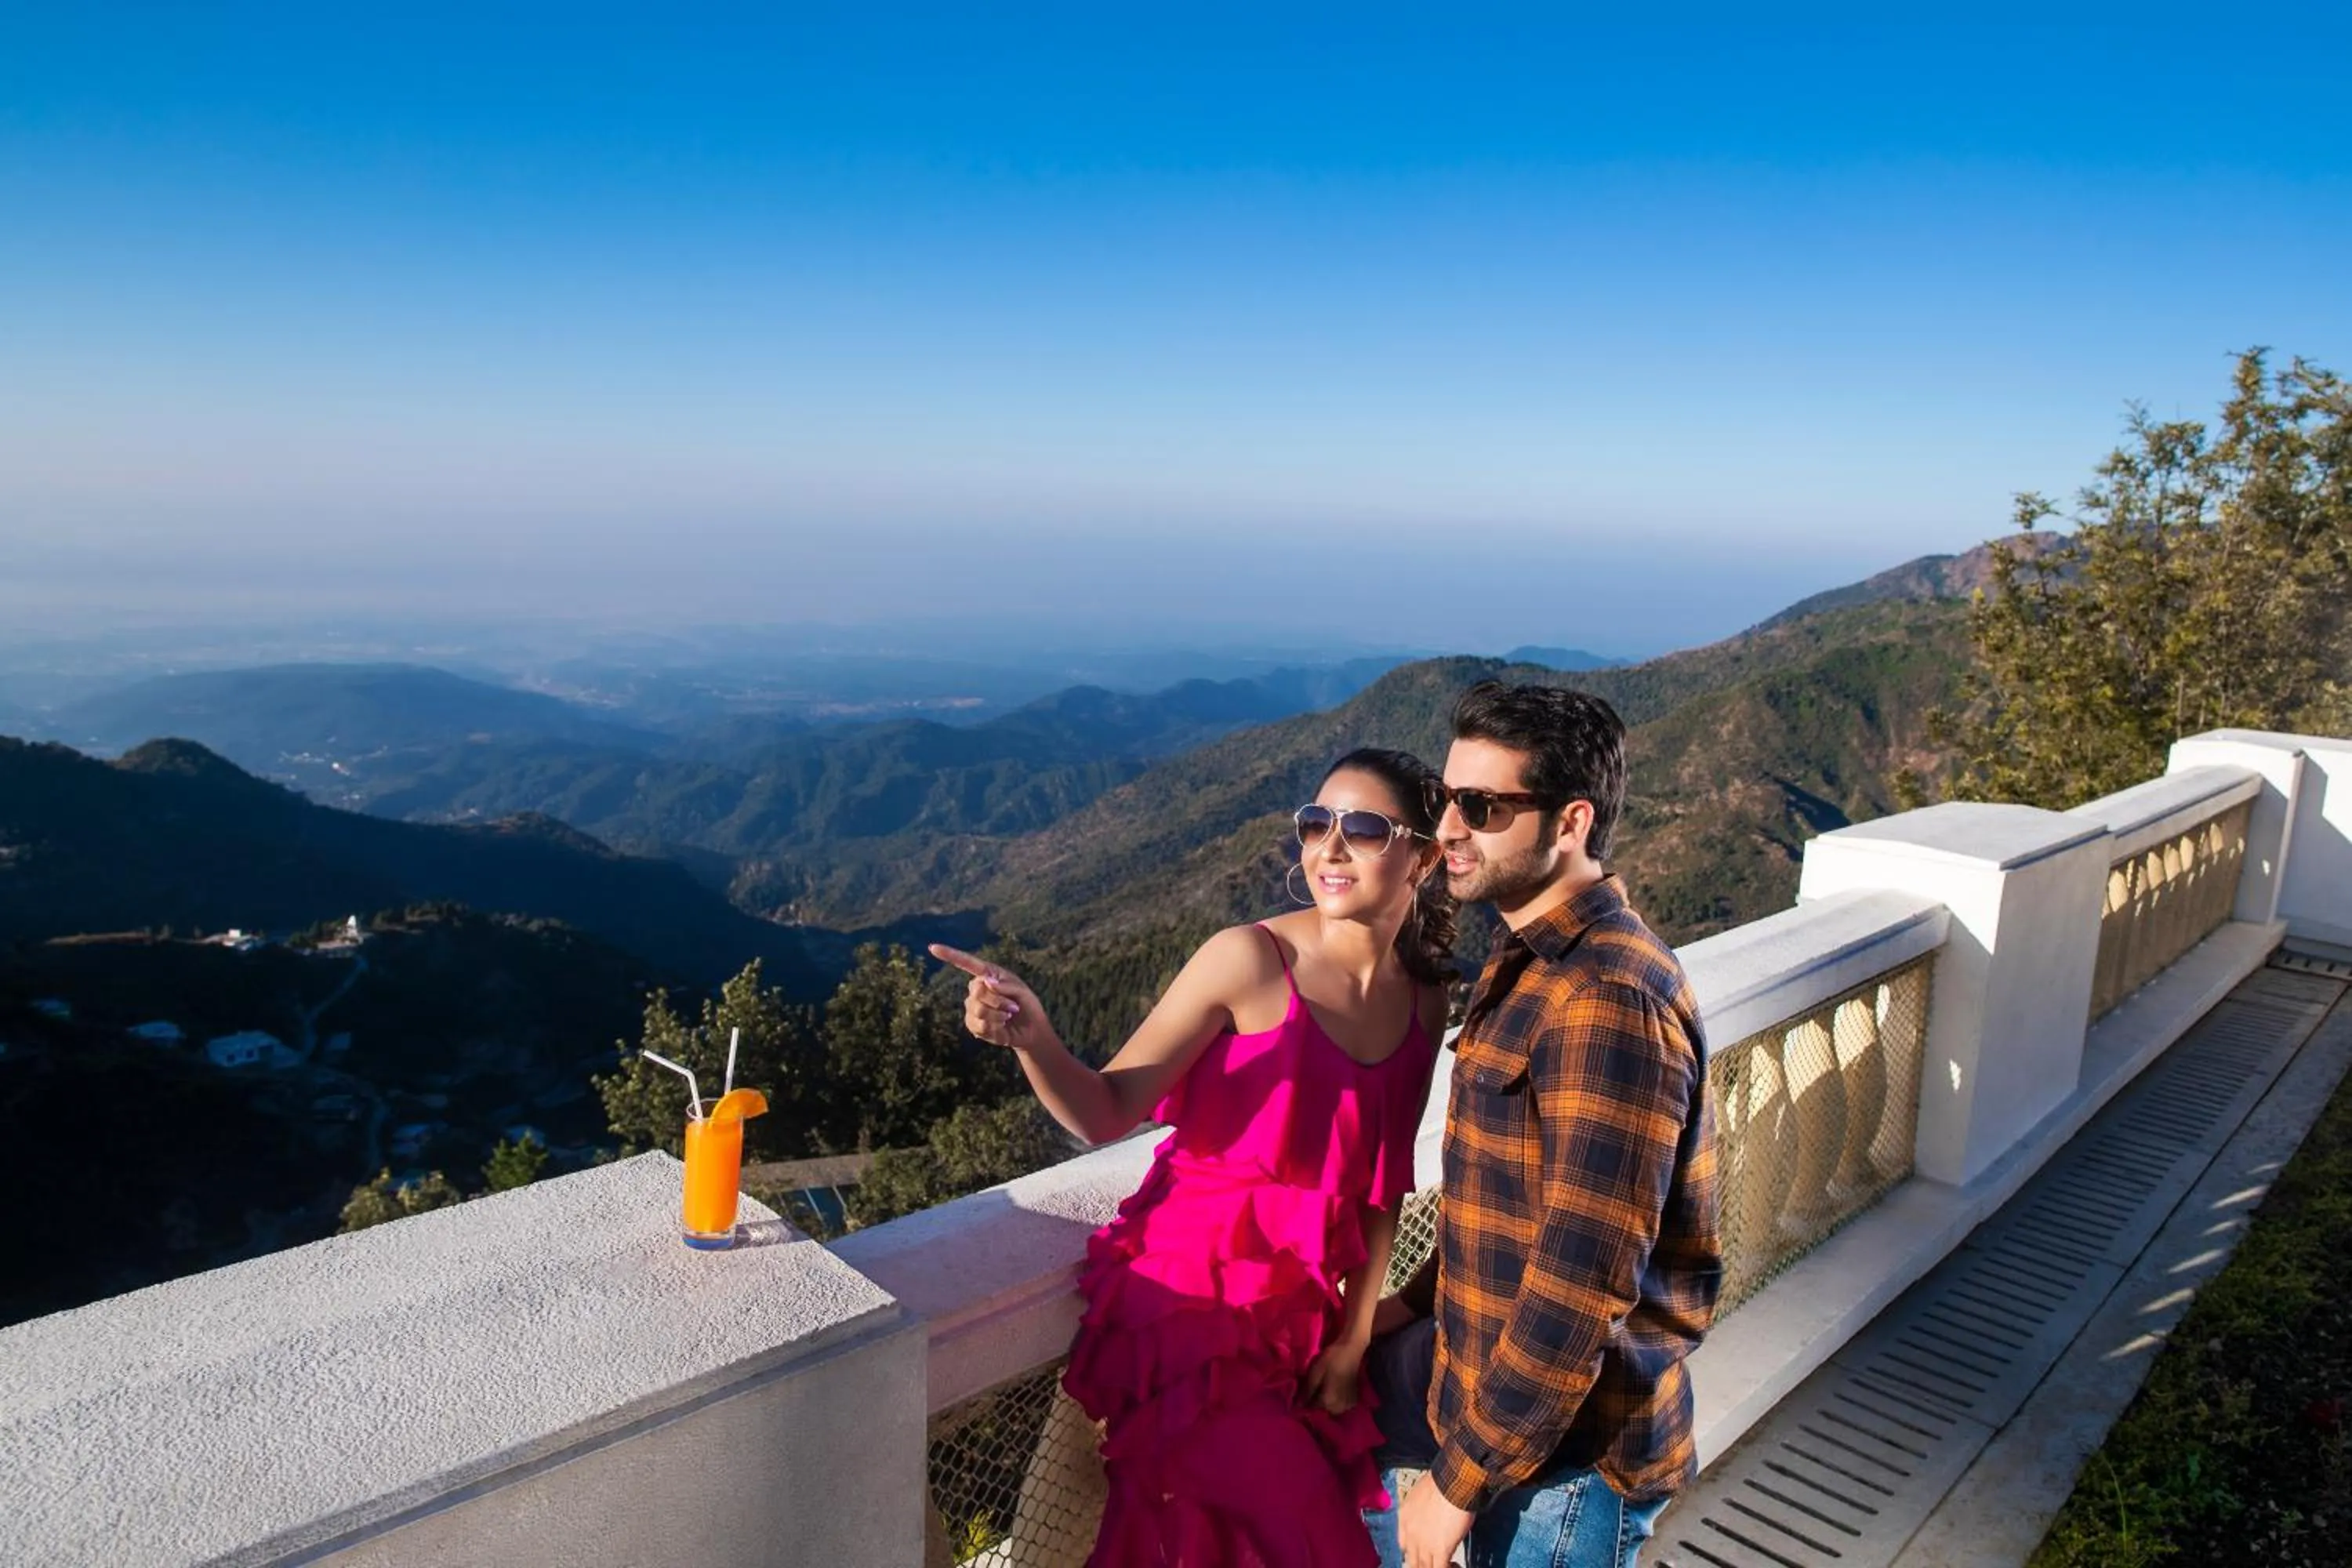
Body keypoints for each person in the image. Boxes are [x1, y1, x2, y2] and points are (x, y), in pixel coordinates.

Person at [932, 747, 1456, 1566]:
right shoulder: (1247, 960)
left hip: (1297, 1327)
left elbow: (1383, 1183)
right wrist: (1033, 1039)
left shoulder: (1426, 998)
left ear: (1424, 855)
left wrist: (1352, 1342)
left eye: (1361, 827)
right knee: (1314, 1539)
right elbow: (1107, 1111)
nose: (1328, 848)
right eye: (1316, 824)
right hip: (1185, 1314)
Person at [1364, 681, 1720, 1568]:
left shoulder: (1604, 997)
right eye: (1448, 798)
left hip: (1563, 1469)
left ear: (1570, 822)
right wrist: (1404, 1308)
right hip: (1495, 1403)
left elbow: (1579, 1283)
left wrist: (1454, 1486)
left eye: (1482, 807)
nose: (1448, 827)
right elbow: (1509, 1206)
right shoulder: (1531, 959)